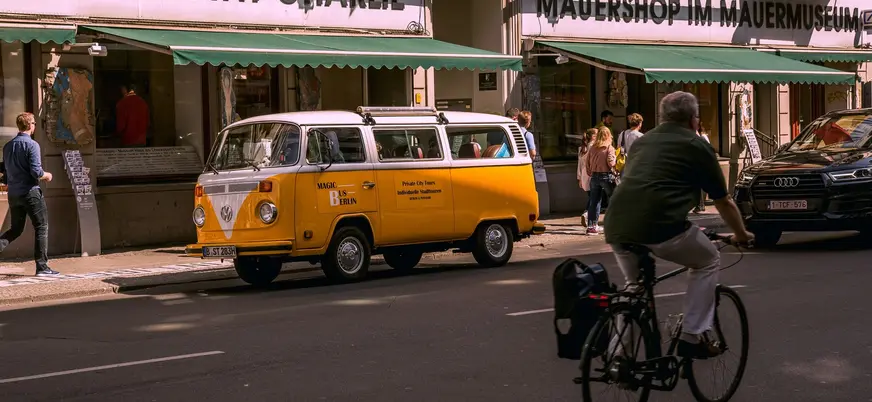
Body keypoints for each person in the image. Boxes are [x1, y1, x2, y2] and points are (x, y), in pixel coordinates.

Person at [603, 91, 754, 358]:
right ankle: (691, 334)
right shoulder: (696, 145)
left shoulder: (642, 142)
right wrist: (741, 233)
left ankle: (618, 358)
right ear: (693, 120)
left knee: (633, 287)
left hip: (617, 224)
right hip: (662, 225)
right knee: (707, 261)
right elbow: (724, 201)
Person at [0, 113, 58, 276]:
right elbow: (36, 171)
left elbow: (5, 173)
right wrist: (46, 175)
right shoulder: (32, 145)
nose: (34, 126)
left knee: (15, 230)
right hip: (30, 193)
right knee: (41, 227)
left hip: (14, 194)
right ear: (30, 125)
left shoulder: (8, 146)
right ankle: (42, 267)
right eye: (34, 123)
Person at [583, 126, 616, 235]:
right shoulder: (609, 148)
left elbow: (587, 163)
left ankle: (591, 226)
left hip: (594, 177)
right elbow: (611, 163)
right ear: (607, 135)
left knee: (594, 201)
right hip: (606, 176)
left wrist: (590, 172)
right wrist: (615, 160)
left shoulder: (592, 148)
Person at [577, 128, 597, 227]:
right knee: (594, 197)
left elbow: (579, 164)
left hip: (584, 174)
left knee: (591, 196)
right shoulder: (593, 147)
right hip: (591, 173)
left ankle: (587, 213)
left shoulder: (582, 148)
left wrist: (579, 177)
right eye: (596, 134)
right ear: (593, 136)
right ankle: (586, 213)